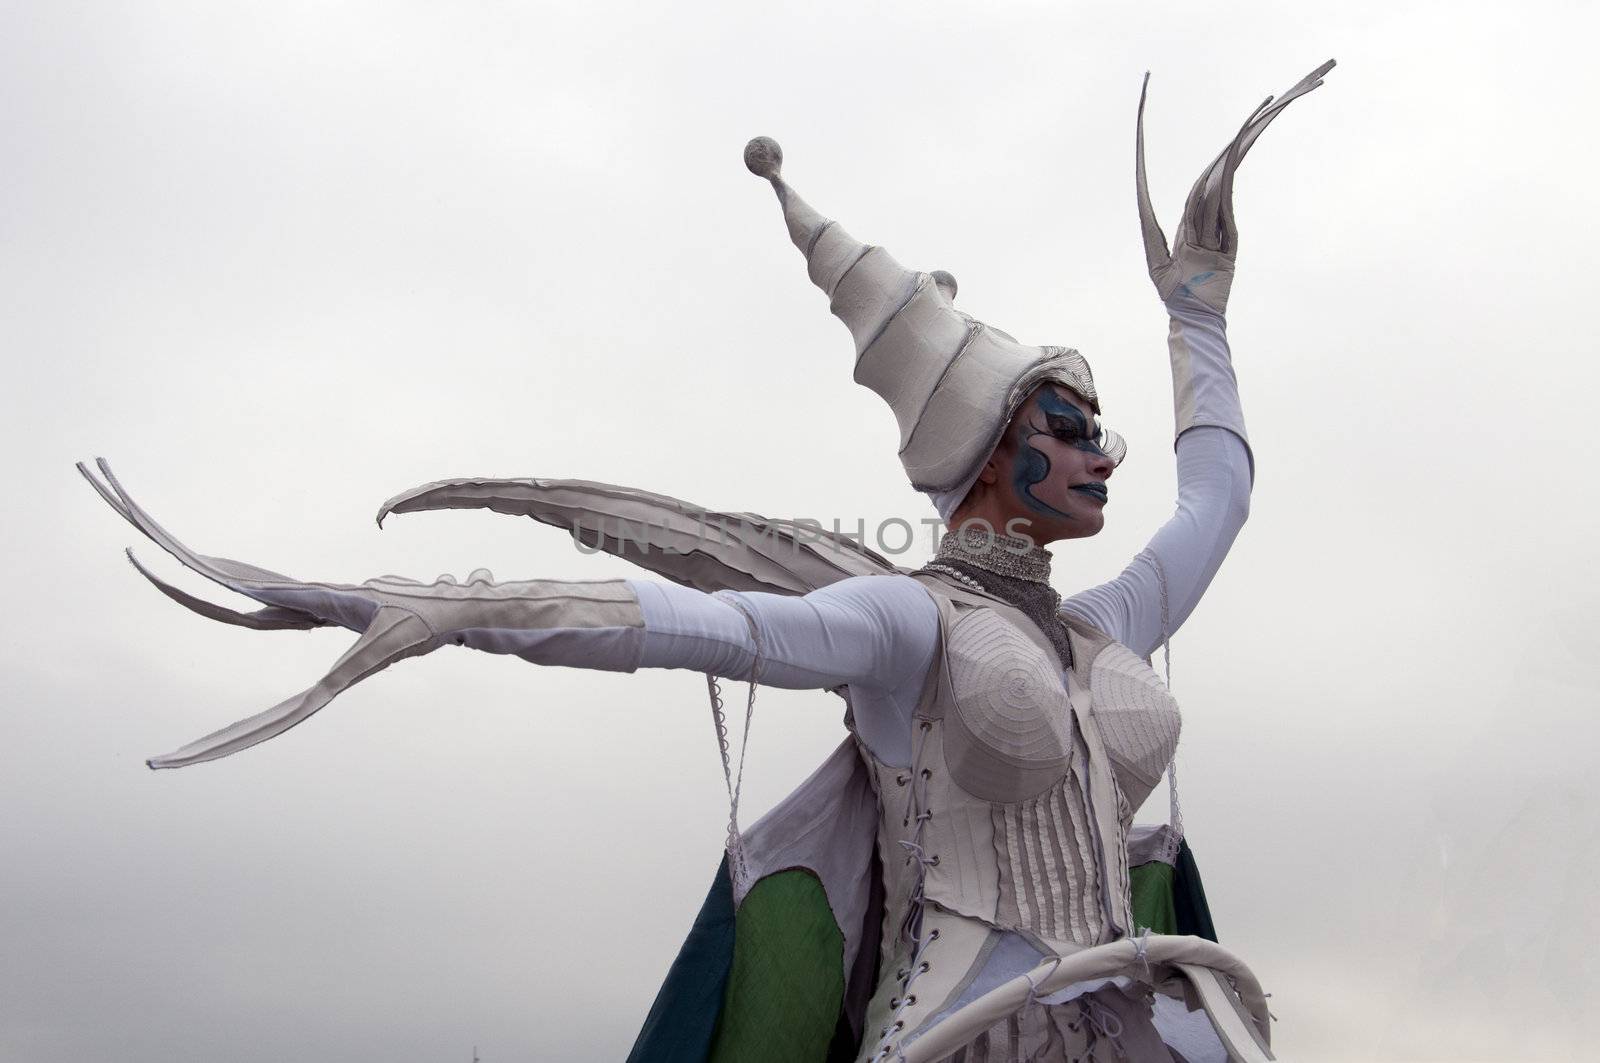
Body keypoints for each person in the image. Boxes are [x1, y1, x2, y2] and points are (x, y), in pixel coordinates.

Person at [81, 61, 1334, 1062]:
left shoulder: (1109, 622)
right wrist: (436, 607)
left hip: (1139, 1024)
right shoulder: (910, 626)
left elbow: (1216, 496)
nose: (1102, 457)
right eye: (1072, 429)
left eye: (1098, 431)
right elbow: (705, 624)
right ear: (1000, 452)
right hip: (958, 1034)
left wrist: (1197, 315)